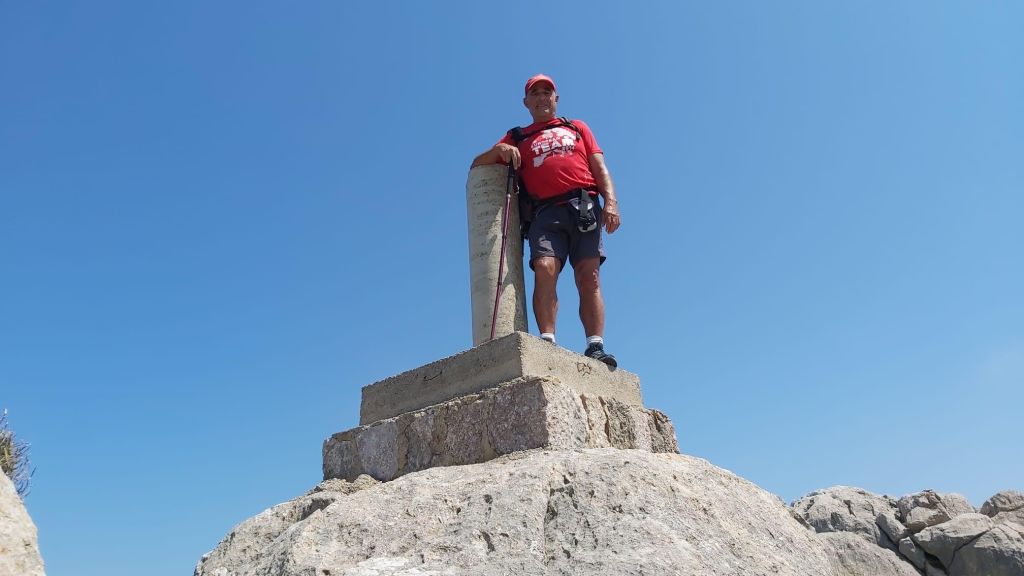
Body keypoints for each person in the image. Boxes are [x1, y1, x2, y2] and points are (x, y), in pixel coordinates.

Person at [471, 74, 621, 367]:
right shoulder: (517, 135)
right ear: (526, 102)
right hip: (545, 211)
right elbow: (477, 164)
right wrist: (498, 150)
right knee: (544, 267)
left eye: (547, 92)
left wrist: (611, 202)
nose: (542, 97)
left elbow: (599, 167)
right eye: (535, 93)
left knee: (589, 276)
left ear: (556, 98)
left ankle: (595, 346)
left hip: (584, 205)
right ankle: (547, 341)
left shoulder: (576, 127)